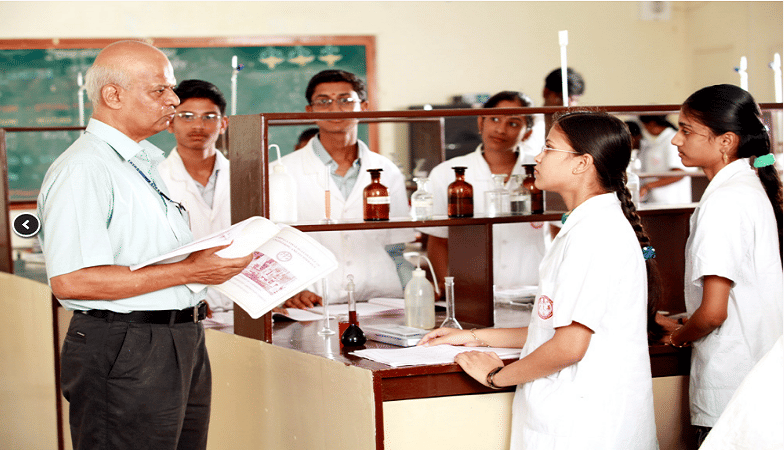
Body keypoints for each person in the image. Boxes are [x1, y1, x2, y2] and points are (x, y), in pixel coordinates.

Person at [37, 41, 253, 449]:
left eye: (171, 89)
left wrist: (203, 262)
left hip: (179, 337)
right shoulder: (86, 167)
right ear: (112, 95)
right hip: (128, 343)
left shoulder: (138, 163)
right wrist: (191, 271)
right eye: (160, 90)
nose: (173, 99)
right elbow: (72, 281)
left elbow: (144, 256)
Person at [420, 111, 659, 449]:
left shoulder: (594, 235)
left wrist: (495, 376)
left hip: (587, 424)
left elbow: (569, 347)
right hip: (580, 418)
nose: (537, 157)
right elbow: (549, 329)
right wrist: (472, 336)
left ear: (582, 163)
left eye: (549, 148)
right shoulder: (583, 227)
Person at [657, 84, 783, 446]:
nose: (675, 140)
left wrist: (678, 336)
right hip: (758, 373)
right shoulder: (750, 187)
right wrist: (685, 319)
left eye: (686, 130)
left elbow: (714, 314)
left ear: (726, 141)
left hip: (732, 381)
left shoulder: (724, 202)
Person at [275, 69, 414, 308]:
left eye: (345, 100)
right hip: (313, 301)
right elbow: (273, 244)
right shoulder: (280, 171)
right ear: (310, 111)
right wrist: (289, 289)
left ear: (364, 106)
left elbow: (397, 247)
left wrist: (414, 293)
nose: (335, 109)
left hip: (383, 298)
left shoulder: (386, 170)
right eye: (323, 101)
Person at [423, 91, 547, 294]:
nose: (501, 129)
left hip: (533, 288)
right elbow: (438, 240)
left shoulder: (543, 169)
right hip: (471, 292)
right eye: (494, 119)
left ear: (527, 133)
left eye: (513, 123)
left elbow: (559, 233)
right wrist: (448, 290)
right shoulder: (446, 173)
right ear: (481, 122)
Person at [158, 79, 234, 331]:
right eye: (187, 116)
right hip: (179, 311)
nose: (198, 126)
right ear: (170, 122)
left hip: (243, 307)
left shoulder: (247, 176)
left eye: (209, 116)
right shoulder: (154, 179)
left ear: (223, 124)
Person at [638, 114, 693, 204]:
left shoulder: (671, 140)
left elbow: (679, 173)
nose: (645, 130)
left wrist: (648, 186)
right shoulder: (659, 142)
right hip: (658, 201)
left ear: (652, 124)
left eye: (645, 126)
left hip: (673, 201)